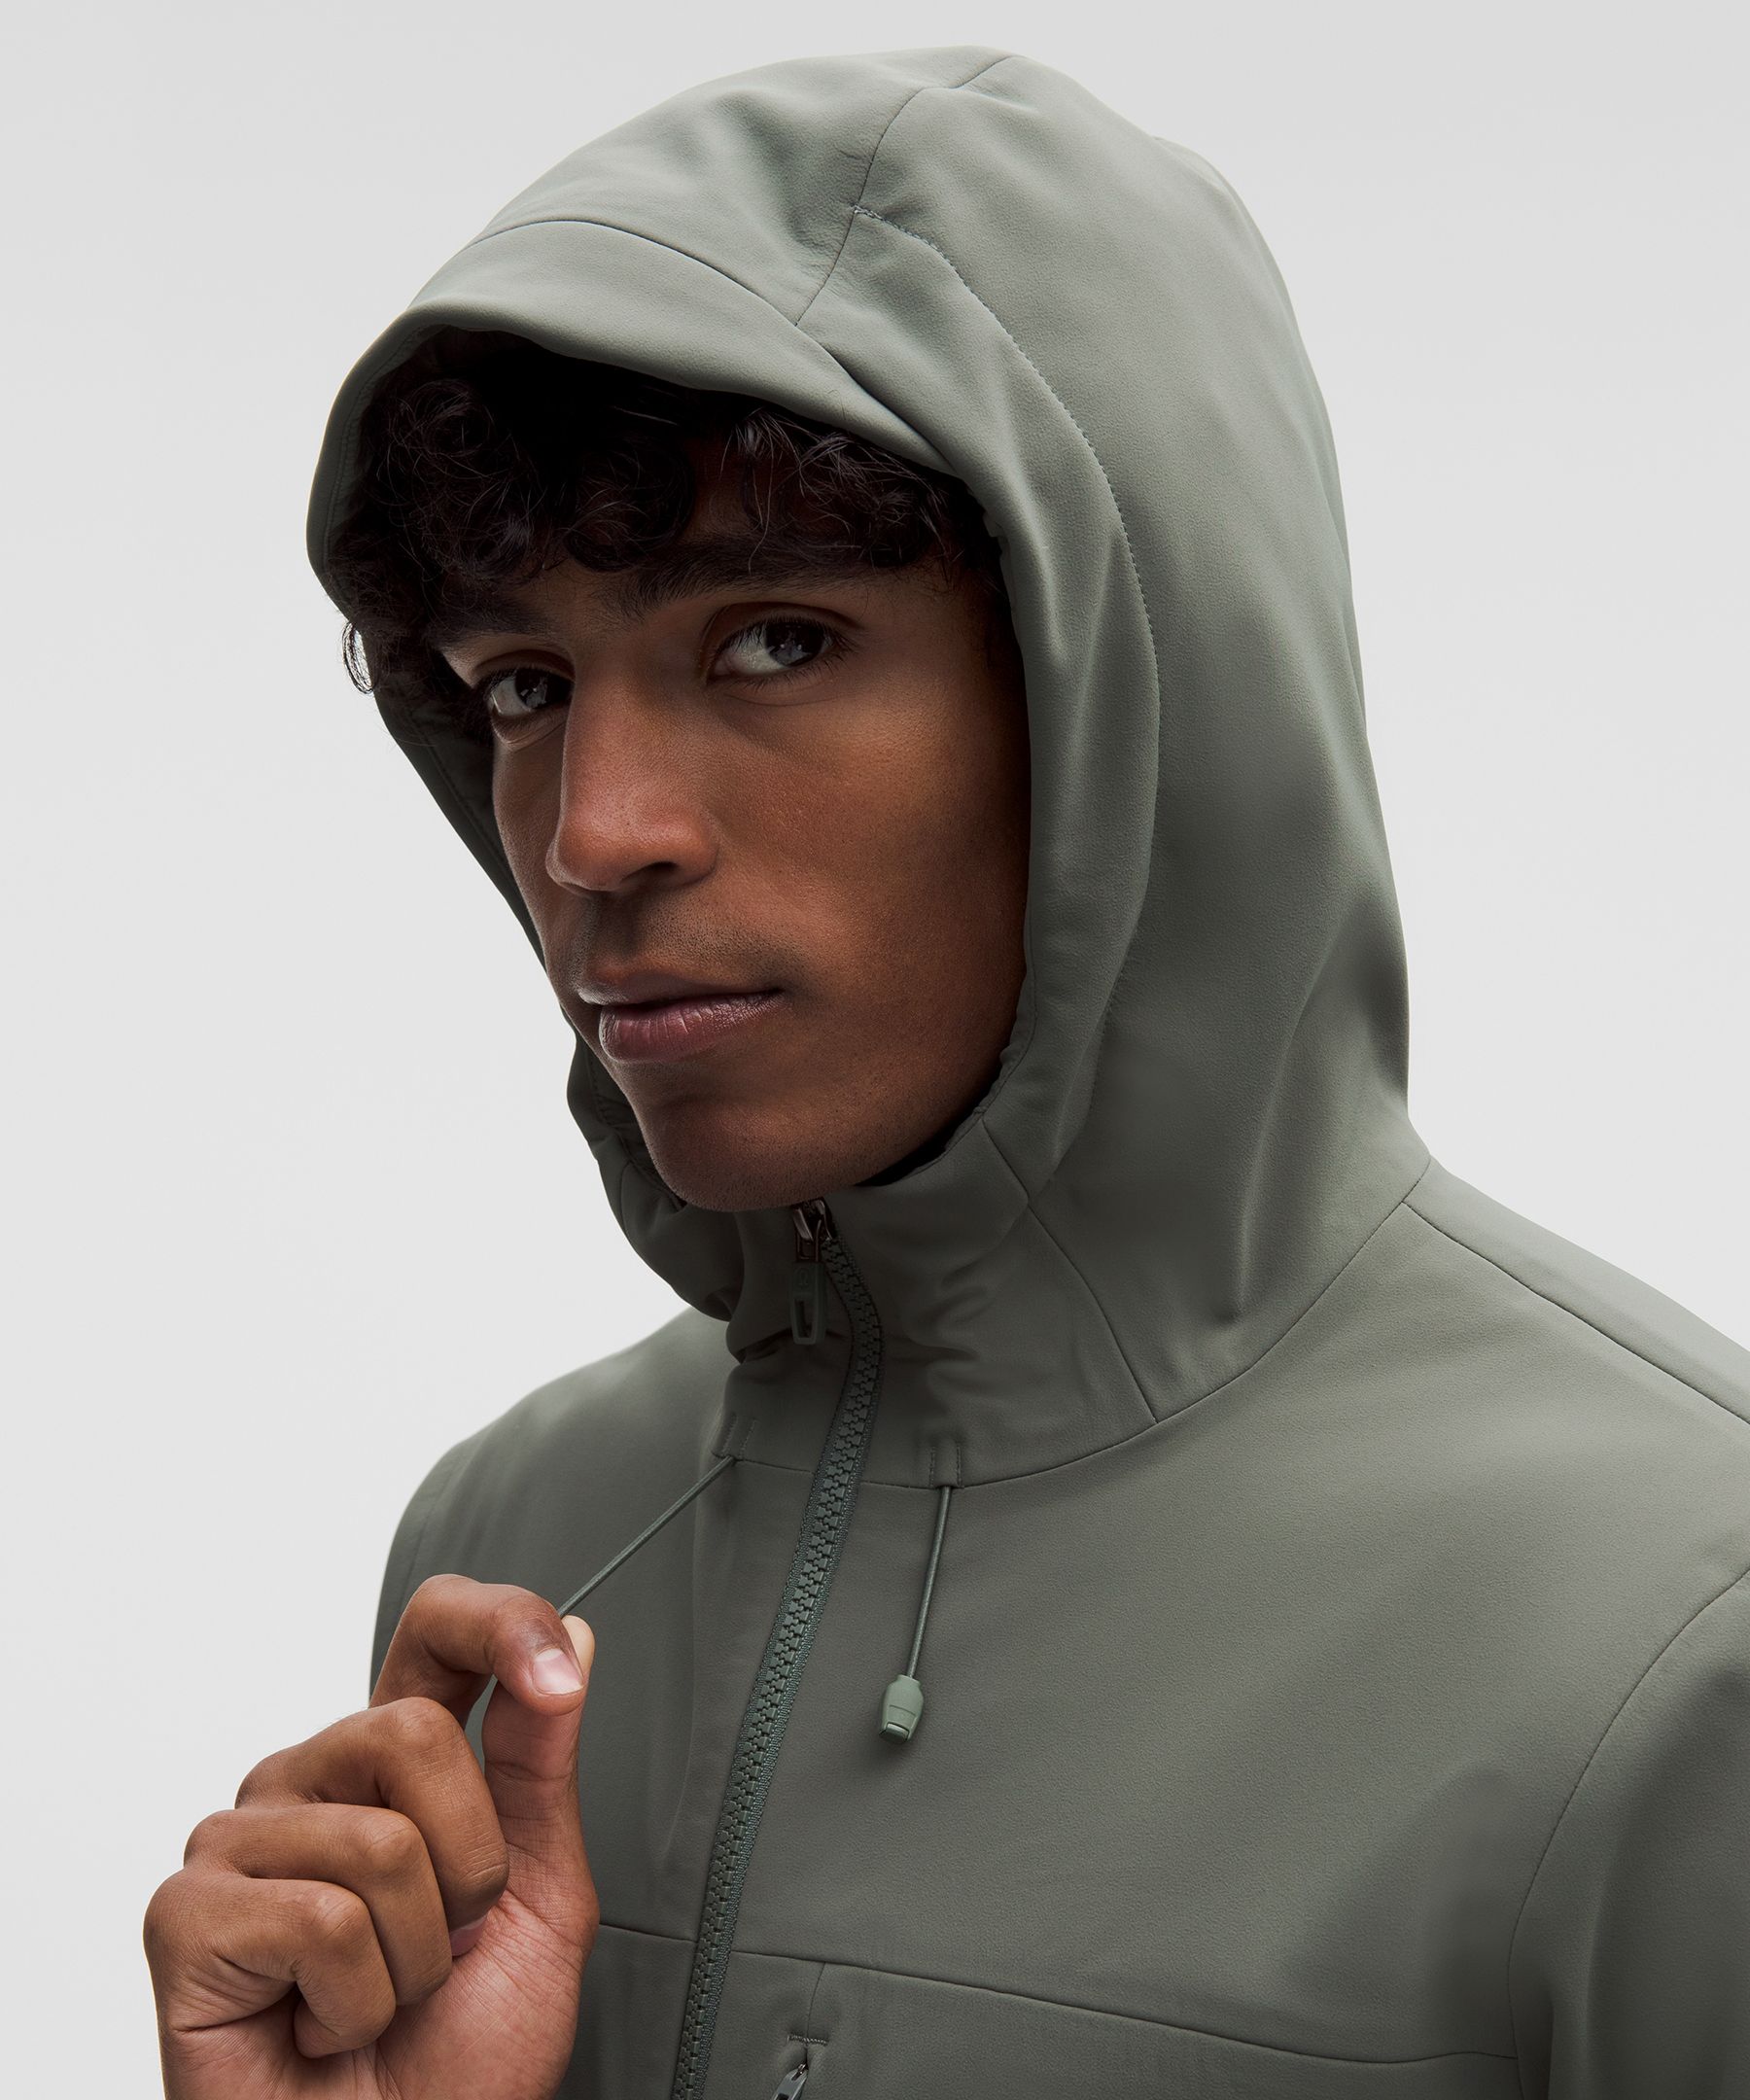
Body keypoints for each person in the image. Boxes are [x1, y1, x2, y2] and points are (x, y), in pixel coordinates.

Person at [144, 44, 1750, 2100]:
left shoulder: (1682, 1634)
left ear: (1132, 694)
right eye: (524, 685)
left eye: (773, 642)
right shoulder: (519, 1542)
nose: (592, 832)